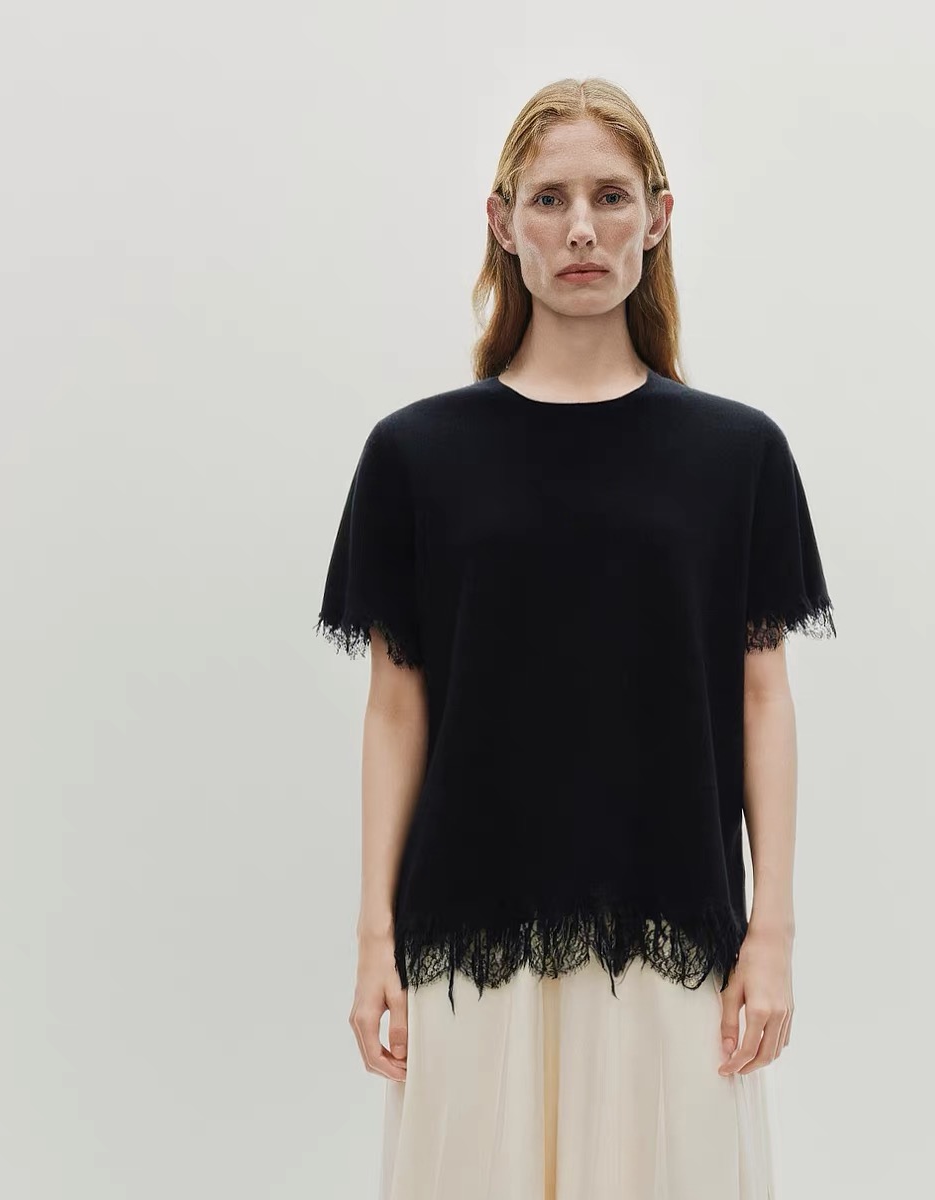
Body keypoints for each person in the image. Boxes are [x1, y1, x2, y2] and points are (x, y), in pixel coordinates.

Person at [315, 76, 836, 1200]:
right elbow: (396, 708)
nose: (583, 229)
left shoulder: (737, 457)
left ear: (659, 216)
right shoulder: (416, 456)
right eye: (549, 199)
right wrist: (372, 941)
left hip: (674, 932)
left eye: (610, 196)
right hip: (469, 936)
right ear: (503, 223)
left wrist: (774, 932)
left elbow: (763, 695)